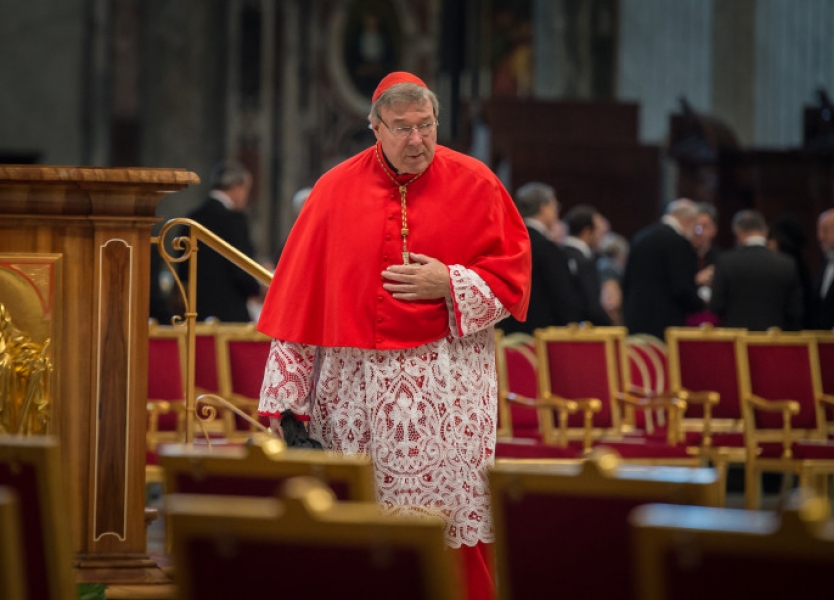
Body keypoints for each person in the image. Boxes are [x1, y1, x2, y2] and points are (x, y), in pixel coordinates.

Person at [255, 72, 531, 600]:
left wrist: (449, 282)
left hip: (448, 395)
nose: (417, 140)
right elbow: (300, 304)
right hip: (354, 394)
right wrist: (287, 405)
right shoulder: (333, 190)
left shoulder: (477, 182)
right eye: (402, 127)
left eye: (426, 125)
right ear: (375, 127)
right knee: (358, 525)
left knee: (452, 520)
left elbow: (513, 280)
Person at [182, 160, 262, 322]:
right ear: (237, 187)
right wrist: (258, 289)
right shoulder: (233, 220)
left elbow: (183, 267)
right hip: (229, 313)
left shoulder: (192, 218)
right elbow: (241, 267)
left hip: (195, 311)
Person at [499, 182, 581, 334]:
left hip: (507, 332)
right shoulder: (547, 248)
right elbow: (562, 297)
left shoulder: (506, 242)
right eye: (555, 206)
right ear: (545, 208)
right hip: (540, 335)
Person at [622, 199, 706, 340]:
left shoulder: (640, 237)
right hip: (665, 325)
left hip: (635, 321)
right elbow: (682, 288)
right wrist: (700, 304)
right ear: (689, 220)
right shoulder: (679, 243)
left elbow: (626, 282)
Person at [709, 210, 803, 331]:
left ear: (738, 232)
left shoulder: (725, 262)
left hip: (738, 338)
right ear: (765, 231)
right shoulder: (787, 264)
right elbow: (795, 310)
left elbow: (716, 306)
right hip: (774, 338)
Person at [562, 204, 611, 326]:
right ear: (587, 231)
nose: (602, 236)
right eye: (599, 230)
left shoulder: (557, 254)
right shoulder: (585, 261)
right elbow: (592, 306)